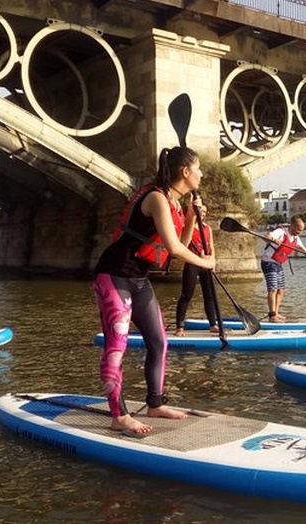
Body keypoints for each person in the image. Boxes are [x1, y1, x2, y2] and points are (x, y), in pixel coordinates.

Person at [92, 146, 215, 434]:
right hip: (114, 275)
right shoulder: (157, 198)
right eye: (198, 169)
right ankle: (118, 415)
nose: (202, 173)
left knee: (159, 342)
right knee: (117, 345)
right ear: (185, 172)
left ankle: (155, 403)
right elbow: (174, 248)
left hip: (139, 279)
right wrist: (206, 262)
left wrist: (192, 218)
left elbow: (176, 247)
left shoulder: (172, 203)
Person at [259, 215, 306, 322]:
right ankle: (272, 316)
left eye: (301, 231)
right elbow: (266, 236)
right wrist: (273, 239)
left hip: (278, 264)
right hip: (268, 262)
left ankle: (276, 313)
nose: (299, 232)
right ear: (292, 226)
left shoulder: (296, 239)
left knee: (281, 290)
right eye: (298, 230)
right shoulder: (280, 232)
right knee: (272, 289)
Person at [174, 205, 219, 336]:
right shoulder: (188, 228)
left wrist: (213, 262)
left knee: (209, 296)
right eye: (200, 211)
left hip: (206, 264)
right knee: (186, 295)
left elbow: (211, 246)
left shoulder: (207, 228)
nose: (202, 213)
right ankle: (180, 327)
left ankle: (213, 324)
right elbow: (183, 245)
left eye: (204, 211)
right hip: (192, 263)